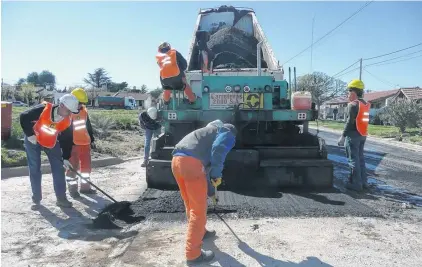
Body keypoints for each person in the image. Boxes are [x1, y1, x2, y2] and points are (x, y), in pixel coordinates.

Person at [171, 122, 237, 264]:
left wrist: (212, 192)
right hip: (191, 164)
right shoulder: (227, 131)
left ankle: (200, 232)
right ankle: (193, 254)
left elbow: (204, 172)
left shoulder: (203, 137)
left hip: (177, 162)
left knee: (190, 203)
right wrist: (216, 175)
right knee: (198, 211)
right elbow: (218, 150)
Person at [19, 94, 79, 210]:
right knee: (34, 167)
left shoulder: (67, 121)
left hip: (50, 143)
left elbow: (67, 139)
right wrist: (30, 134)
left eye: (71, 111)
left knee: (58, 168)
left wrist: (66, 157)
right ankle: (36, 199)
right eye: (68, 110)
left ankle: (61, 198)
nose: (69, 113)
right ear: (61, 105)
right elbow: (24, 117)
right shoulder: (44, 109)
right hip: (33, 140)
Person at [338, 79, 371, 192]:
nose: (348, 94)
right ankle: (364, 182)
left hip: (353, 135)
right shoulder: (365, 104)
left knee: (353, 160)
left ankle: (356, 184)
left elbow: (349, 122)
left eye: (349, 92)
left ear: (353, 92)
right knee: (360, 159)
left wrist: (343, 136)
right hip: (362, 135)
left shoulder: (352, 105)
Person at [65, 88, 97, 197]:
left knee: (86, 168)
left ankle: (85, 188)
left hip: (85, 144)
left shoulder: (84, 111)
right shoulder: (67, 112)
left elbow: (88, 126)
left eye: (82, 103)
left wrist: (92, 140)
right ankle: (73, 190)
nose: (81, 105)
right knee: (72, 169)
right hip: (72, 145)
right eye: (79, 103)